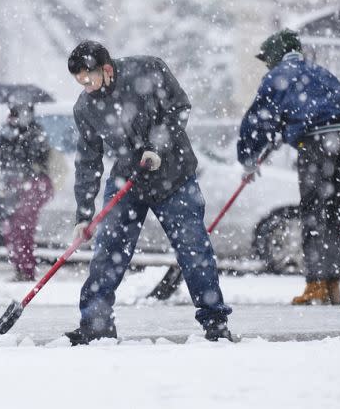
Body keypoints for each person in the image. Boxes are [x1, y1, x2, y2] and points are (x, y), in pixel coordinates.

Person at [64, 40, 233, 345]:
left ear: (106, 69)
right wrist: (83, 214)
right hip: (129, 178)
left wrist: (157, 147)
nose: (86, 87)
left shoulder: (148, 70)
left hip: (173, 175)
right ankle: (95, 323)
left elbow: (179, 107)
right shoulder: (85, 108)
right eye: (79, 82)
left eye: (89, 79)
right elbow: (88, 161)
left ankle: (215, 322)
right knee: (108, 250)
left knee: (193, 248)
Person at [237, 29, 340, 305]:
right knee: (335, 211)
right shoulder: (320, 72)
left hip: (317, 143)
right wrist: (290, 129)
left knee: (314, 212)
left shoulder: (277, 76)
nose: (267, 64)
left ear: (275, 56)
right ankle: (332, 282)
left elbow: (258, 121)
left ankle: (316, 284)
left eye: (267, 58)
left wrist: (248, 158)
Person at [0, 101, 54, 282]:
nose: (13, 118)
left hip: (33, 184)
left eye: (16, 114)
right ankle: (19, 267)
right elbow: (4, 161)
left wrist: (21, 138)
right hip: (13, 184)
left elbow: (36, 160)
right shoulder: (7, 133)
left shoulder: (35, 134)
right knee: (10, 228)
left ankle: (26, 270)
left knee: (23, 227)